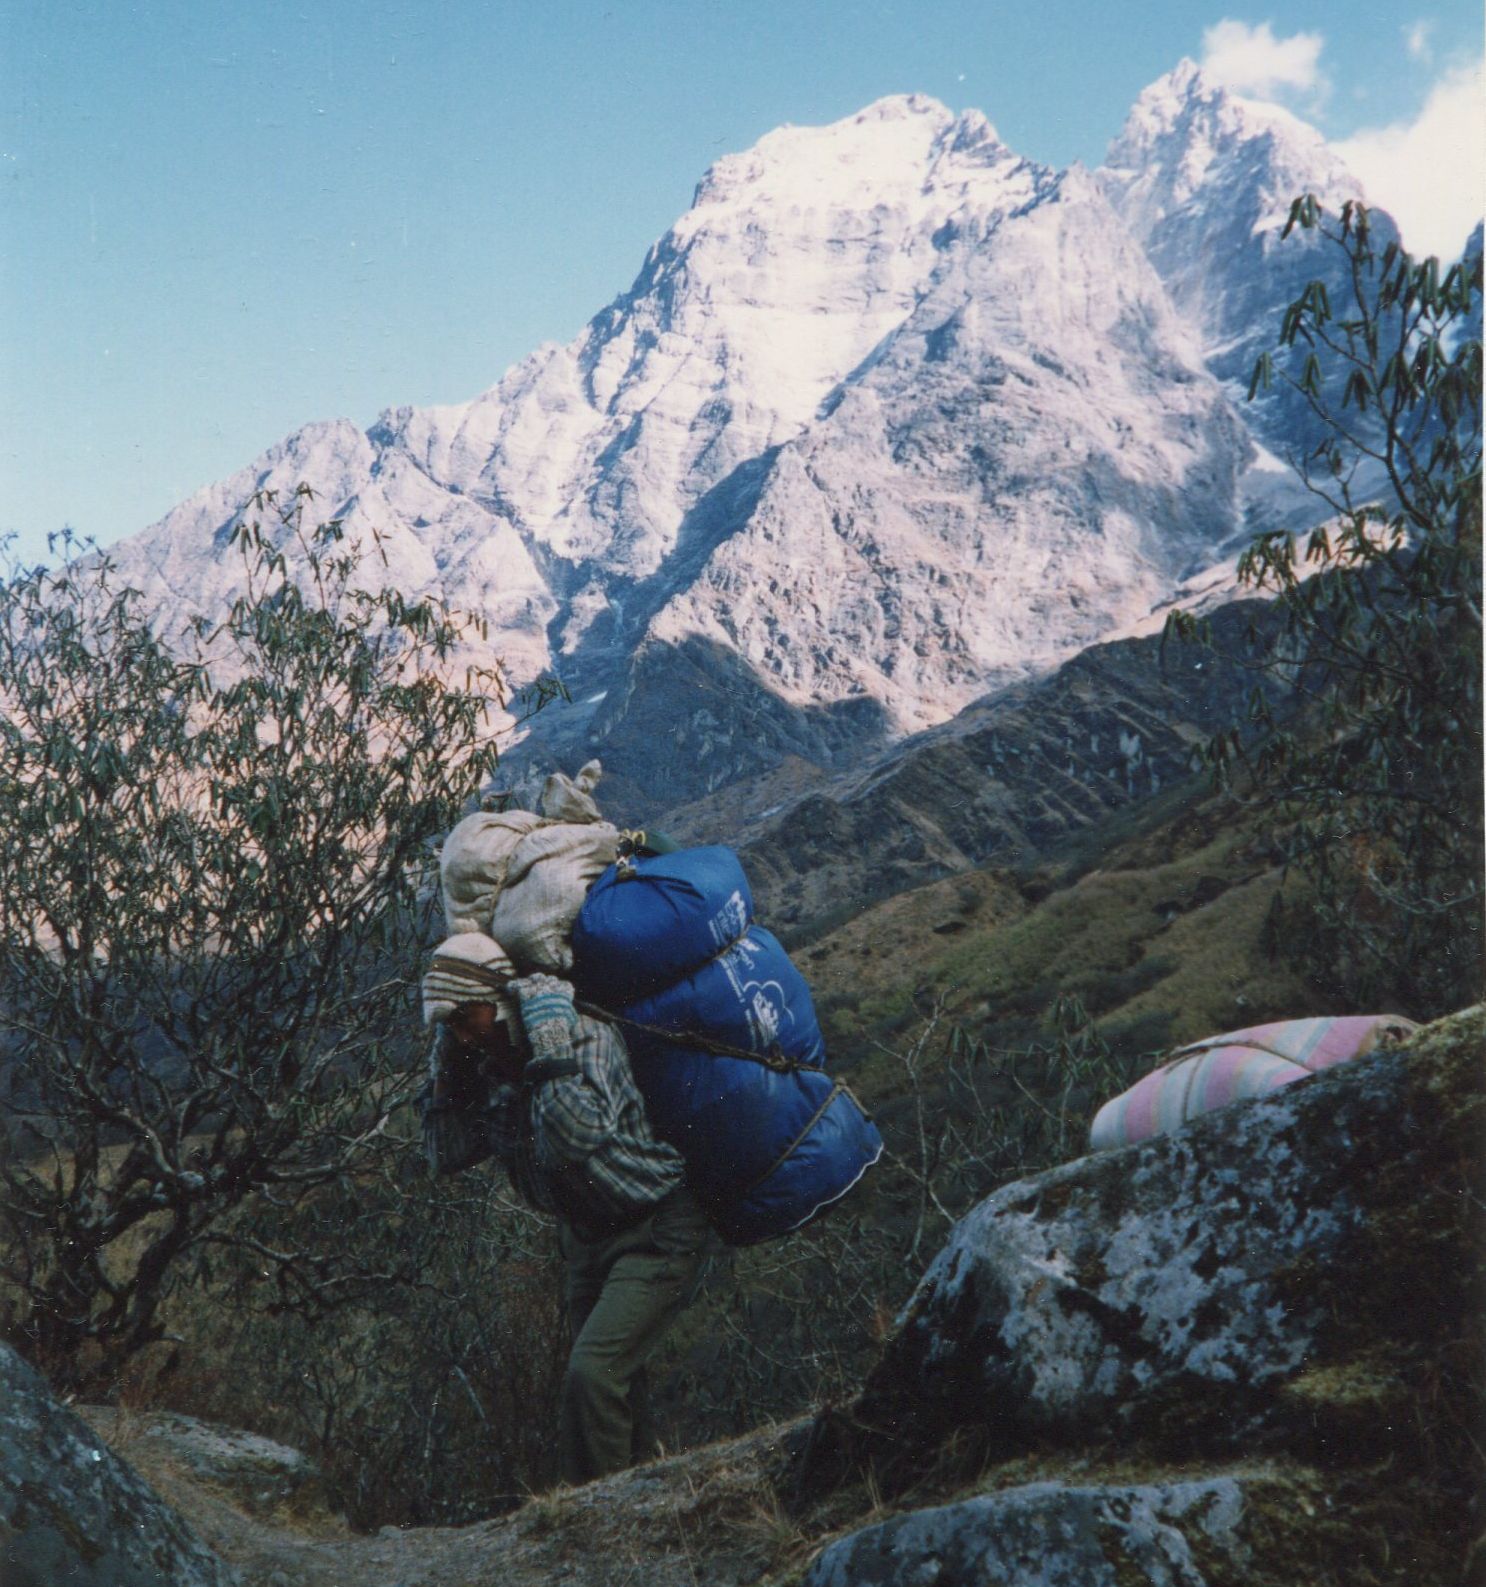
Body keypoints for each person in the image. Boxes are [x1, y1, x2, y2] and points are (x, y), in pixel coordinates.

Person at [420, 932, 712, 1487]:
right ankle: (644, 1509)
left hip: (658, 1229)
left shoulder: (584, 1038)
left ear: (499, 1000)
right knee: (616, 1385)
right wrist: (445, 1071)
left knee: (592, 1377)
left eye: (464, 1015)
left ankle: (594, 1522)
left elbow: (569, 1139)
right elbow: (444, 1152)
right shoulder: (489, 1071)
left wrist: (549, 1046)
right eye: (447, 1023)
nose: (459, 1032)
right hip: (586, 1241)